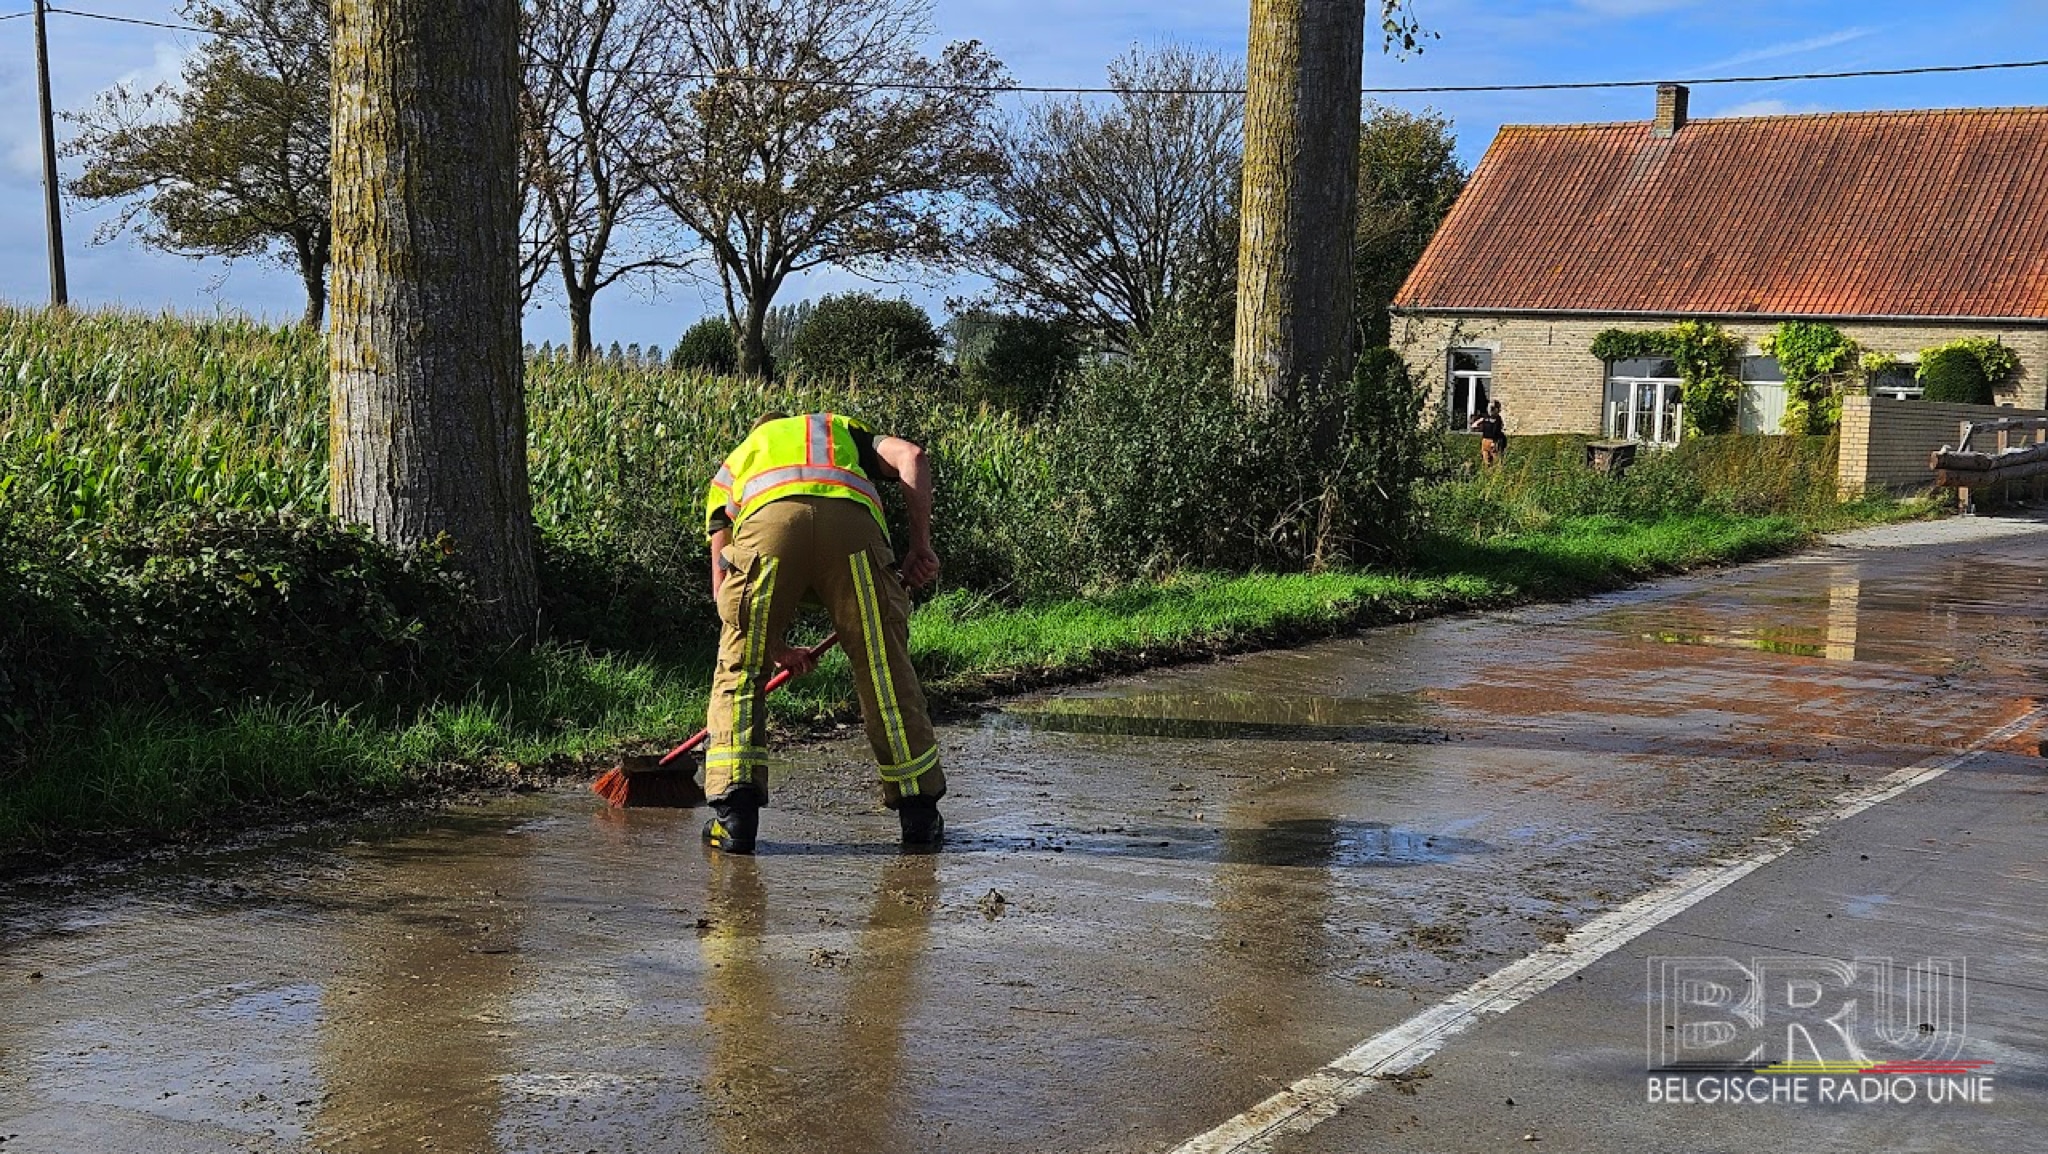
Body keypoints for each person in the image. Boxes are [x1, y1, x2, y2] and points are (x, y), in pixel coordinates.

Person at [699, 411, 946, 854]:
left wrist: (767, 646)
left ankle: (735, 821)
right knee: (883, 670)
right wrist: (919, 546)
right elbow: (913, 456)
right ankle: (920, 817)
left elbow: (726, 599)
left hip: (765, 533)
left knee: (739, 667)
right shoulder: (838, 432)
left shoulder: (739, 460)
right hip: (851, 531)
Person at [1470, 399, 1507, 466]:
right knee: (1491, 462)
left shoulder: (1493, 418)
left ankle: (1492, 473)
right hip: (1488, 441)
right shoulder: (1490, 417)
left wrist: (1494, 441)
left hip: (1489, 441)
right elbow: (1474, 425)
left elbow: (1497, 430)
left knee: (1492, 462)